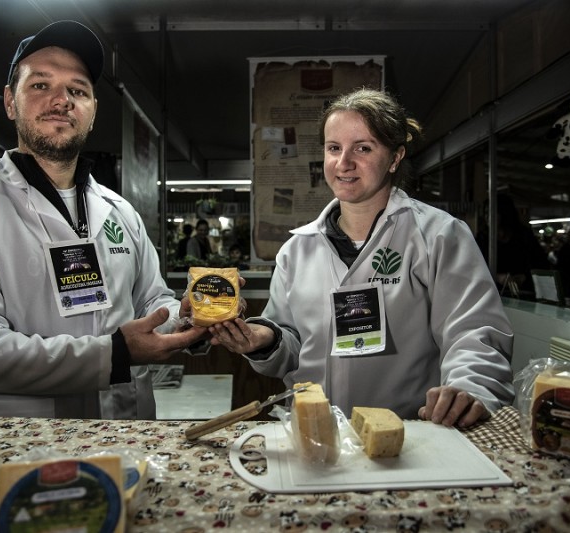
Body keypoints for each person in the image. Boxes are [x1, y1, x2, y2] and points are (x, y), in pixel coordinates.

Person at [0, 20, 207, 419]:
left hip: (123, 432)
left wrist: (189, 316)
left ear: (92, 112)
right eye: (41, 85)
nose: (62, 100)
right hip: (22, 440)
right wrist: (114, 354)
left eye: (78, 90)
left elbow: (152, 300)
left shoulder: (120, 211)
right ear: (10, 102)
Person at [208, 88, 514, 427]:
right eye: (334, 148)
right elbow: (292, 347)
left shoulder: (438, 236)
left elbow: (474, 333)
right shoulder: (296, 251)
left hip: (406, 434)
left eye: (363, 148)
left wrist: (468, 389)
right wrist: (264, 340)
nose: (344, 163)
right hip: (315, 434)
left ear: (395, 158)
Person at [475, 193, 550, 295]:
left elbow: (541, 264)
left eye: (493, 212)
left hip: (524, 293)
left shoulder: (524, 236)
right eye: (486, 213)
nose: (488, 217)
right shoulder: (482, 238)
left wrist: (525, 276)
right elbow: (475, 267)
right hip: (492, 294)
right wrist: (497, 277)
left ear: (504, 213)